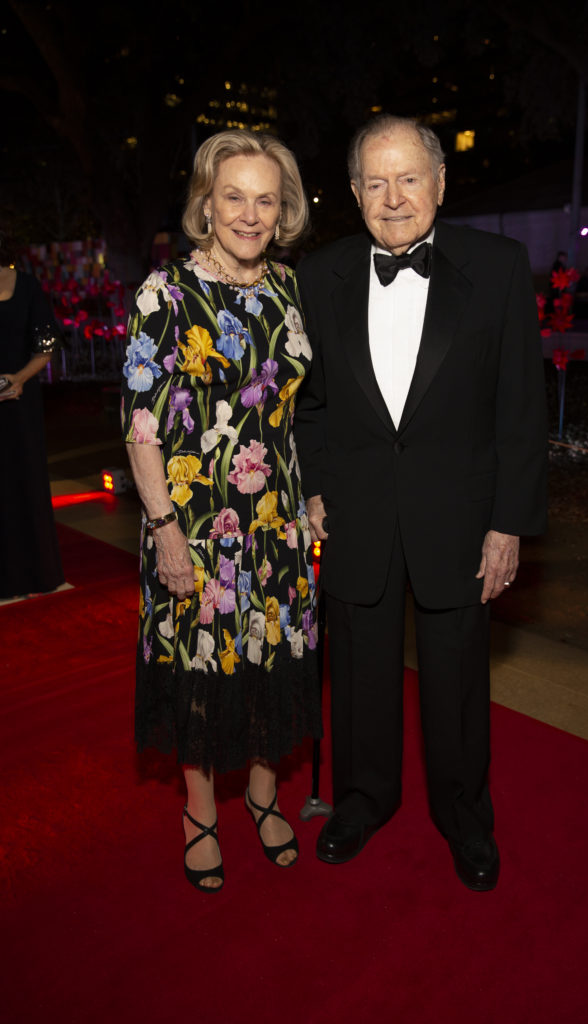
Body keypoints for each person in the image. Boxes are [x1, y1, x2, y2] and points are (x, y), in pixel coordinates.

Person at [294, 115, 547, 891]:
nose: (393, 197)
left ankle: (465, 816)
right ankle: (362, 801)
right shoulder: (318, 274)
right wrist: (312, 486)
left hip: (461, 518)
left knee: (458, 680)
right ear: (353, 192)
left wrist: (507, 523)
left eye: (408, 179)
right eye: (375, 182)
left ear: (439, 182)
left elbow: (520, 409)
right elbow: (309, 404)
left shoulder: (498, 266)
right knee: (358, 673)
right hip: (356, 513)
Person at [121, 130, 321, 891]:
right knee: (200, 667)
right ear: (205, 203)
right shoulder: (165, 293)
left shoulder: (289, 288)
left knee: (272, 658)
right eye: (233, 196)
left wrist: (311, 497)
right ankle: (199, 811)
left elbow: (298, 411)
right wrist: (165, 532)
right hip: (197, 523)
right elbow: (141, 426)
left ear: (283, 210)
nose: (249, 214)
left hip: (277, 520)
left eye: (265, 199)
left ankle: (265, 796)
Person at [0, 234, 64, 600]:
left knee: (25, 480)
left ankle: (34, 574)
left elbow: (46, 345)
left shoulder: (26, 286)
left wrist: (19, 379)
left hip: (21, 402)